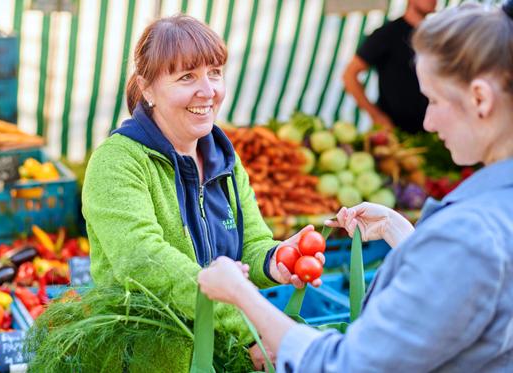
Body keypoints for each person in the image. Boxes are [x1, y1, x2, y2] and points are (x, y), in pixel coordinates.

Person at [199, 2, 513, 371]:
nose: (427, 122)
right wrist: (402, 233)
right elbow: (470, 291)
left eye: (434, 100)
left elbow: (350, 365)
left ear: (480, 98)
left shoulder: (469, 231)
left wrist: (241, 297)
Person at [80, 14, 324, 372]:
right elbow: (142, 261)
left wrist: (276, 260)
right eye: (186, 77)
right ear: (147, 88)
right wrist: (250, 324)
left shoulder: (222, 157)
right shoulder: (117, 162)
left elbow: (251, 243)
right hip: (151, 356)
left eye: (215, 73)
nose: (208, 91)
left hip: (224, 354)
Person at [343, 0, 436, 133]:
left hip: (431, 131)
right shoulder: (387, 34)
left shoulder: (435, 37)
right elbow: (349, 75)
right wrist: (376, 115)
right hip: (396, 132)